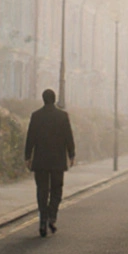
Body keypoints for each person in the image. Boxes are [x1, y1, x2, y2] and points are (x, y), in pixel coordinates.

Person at [23, 88, 76, 237]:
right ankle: (52, 216)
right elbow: (68, 137)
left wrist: (27, 156)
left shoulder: (36, 116)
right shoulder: (62, 116)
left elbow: (30, 137)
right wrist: (71, 154)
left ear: (43, 99)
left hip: (40, 160)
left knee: (42, 191)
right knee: (56, 189)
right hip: (57, 160)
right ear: (54, 99)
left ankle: (42, 220)